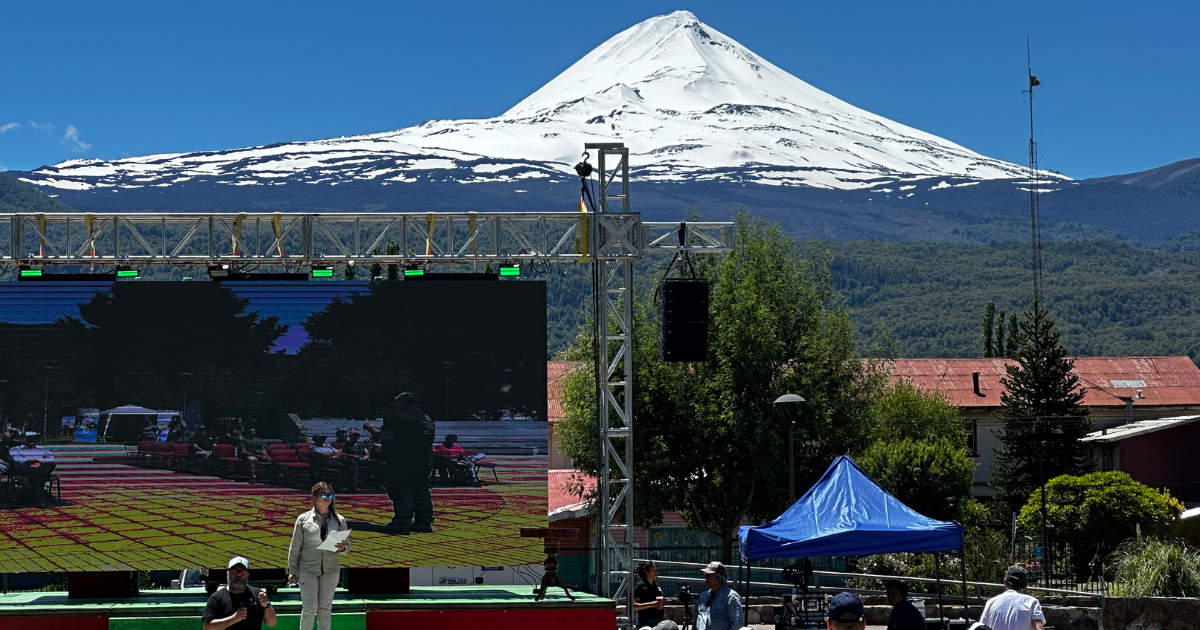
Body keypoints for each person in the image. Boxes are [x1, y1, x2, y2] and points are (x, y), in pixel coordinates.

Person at [288, 481, 350, 630]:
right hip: (307, 569)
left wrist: (343, 547)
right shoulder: (303, 519)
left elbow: (347, 547)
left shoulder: (339, 520)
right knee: (310, 609)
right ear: (315, 497)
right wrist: (292, 571)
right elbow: (295, 547)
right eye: (323, 494)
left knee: (325, 609)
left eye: (330, 495)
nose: (327, 498)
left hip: (330, 569)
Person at [378, 392, 435, 533]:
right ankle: (424, 521)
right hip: (424, 459)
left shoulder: (401, 417)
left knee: (401, 489)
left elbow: (386, 436)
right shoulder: (426, 417)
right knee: (420, 490)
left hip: (404, 460)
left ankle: (401, 522)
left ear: (403, 403)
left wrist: (371, 429)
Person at [202, 555, 277, 630]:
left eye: (242, 571)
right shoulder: (217, 598)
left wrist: (266, 606)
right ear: (228, 573)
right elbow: (207, 627)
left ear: (247, 574)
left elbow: (272, 623)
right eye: (234, 571)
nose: (238, 574)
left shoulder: (257, 594)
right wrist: (234, 618)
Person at [979, 566, 1045, 630]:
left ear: (1005, 582)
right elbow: (1039, 628)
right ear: (1026, 585)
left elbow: (980, 628)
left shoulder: (991, 603)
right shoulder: (1032, 602)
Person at [8, 432, 57, 506]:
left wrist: (40, 463)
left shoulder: (42, 449)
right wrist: (35, 459)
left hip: (40, 468)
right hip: (26, 468)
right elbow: (18, 459)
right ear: (23, 439)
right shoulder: (15, 449)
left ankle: (28, 478)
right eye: (30, 438)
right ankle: (41, 500)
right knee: (40, 476)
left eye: (34, 438)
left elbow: (51, 458)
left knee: (50, 465)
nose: (32, 440)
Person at [695, 561, 745, 630]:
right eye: (705, 575)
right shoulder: (702, 597)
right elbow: (695, 621)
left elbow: (737, 624)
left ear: (719, 578)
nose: (706, 578)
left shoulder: (731, 597)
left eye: (709, 575)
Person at [634, 561, 678, 630]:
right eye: (653, 570)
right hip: (645, 621)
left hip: (659, 620)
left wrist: (664, 615)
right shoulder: (640, 586)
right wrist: (651, 604)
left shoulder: (656, 586)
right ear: (646, 572)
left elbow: (661, 603)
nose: (656, 572)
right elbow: (633, 606)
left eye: (656, 570)